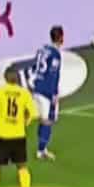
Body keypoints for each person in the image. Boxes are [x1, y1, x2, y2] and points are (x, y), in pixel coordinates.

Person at [31, 26, 65, 161]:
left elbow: (35, 67)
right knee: (48, 120)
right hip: (46, 90)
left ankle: (41, 148)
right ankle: (41, 151)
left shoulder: (42, 50)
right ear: (61, 37)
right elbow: (53, 74)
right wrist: (54, 94)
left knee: (43, 119)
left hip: (37, 87)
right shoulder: (55, 54)